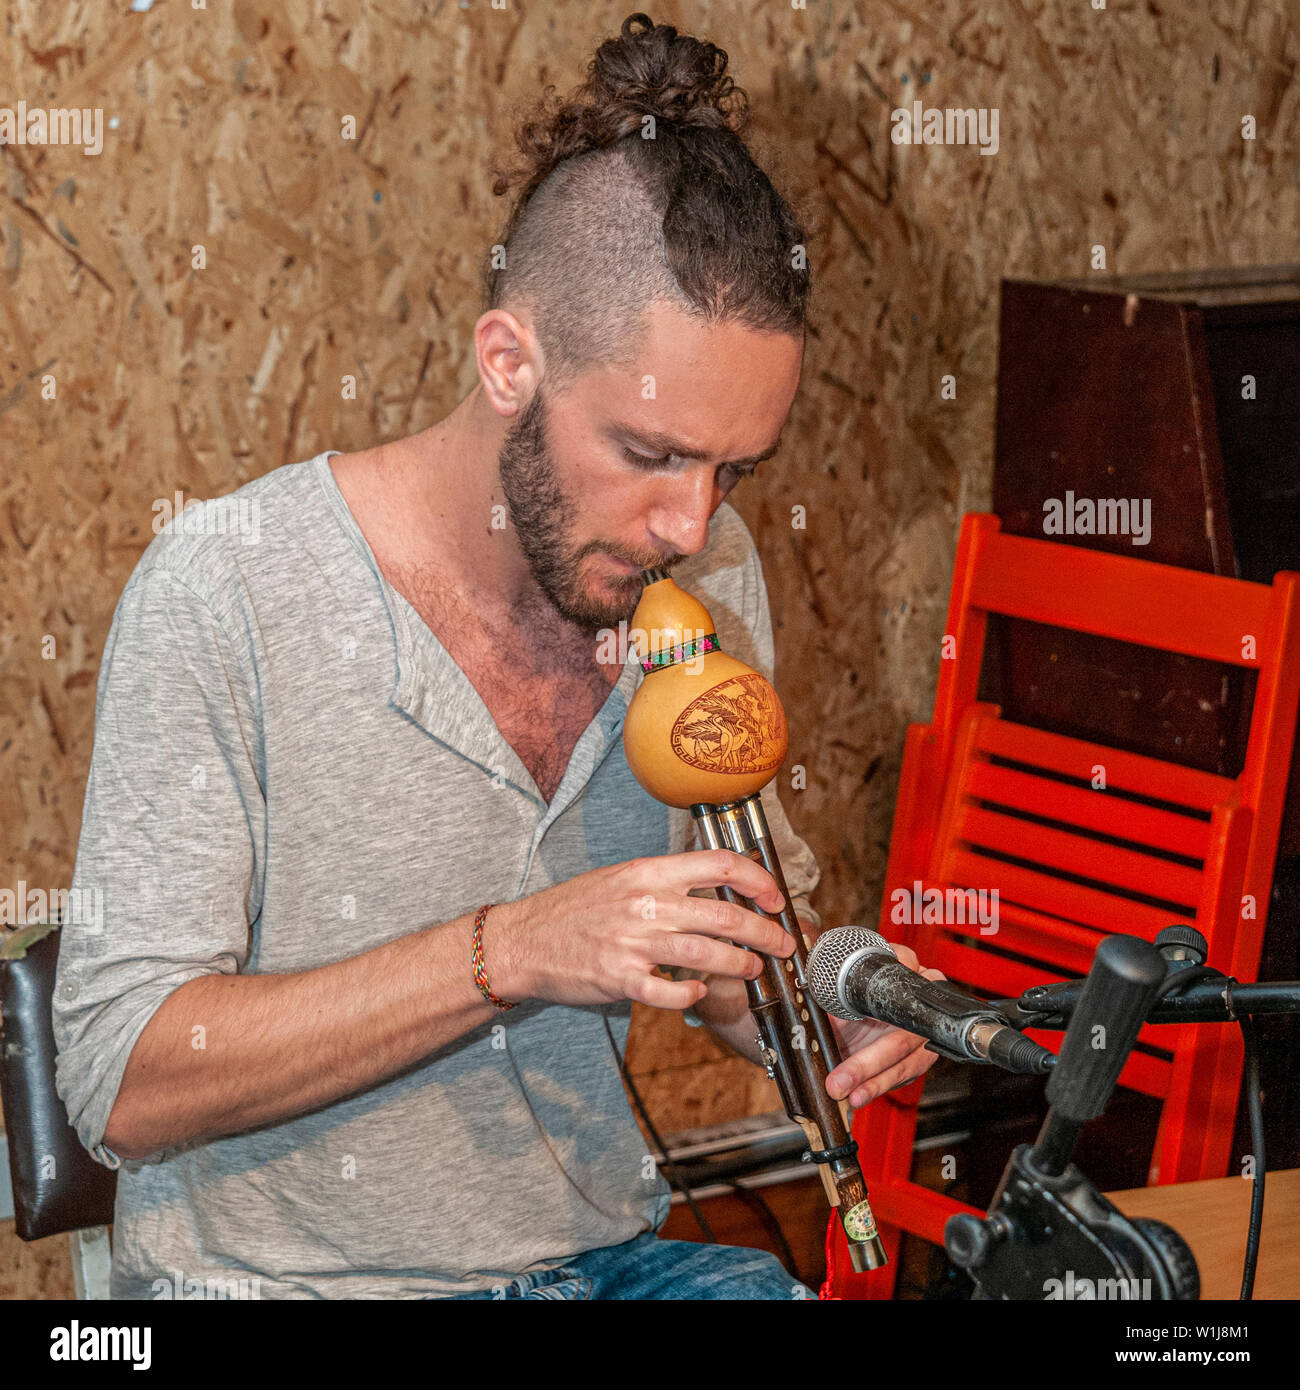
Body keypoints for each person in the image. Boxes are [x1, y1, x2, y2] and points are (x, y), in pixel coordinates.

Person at [52, 12, 939, 1300]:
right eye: (650, 454)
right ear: (508, 360)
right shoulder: (229, 585)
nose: (694, 521)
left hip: (596, 1260)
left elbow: (727, 950)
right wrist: (512, 950)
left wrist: (818, 1014)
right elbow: (121, 1079)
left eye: (734, 466)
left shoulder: (699, 570)